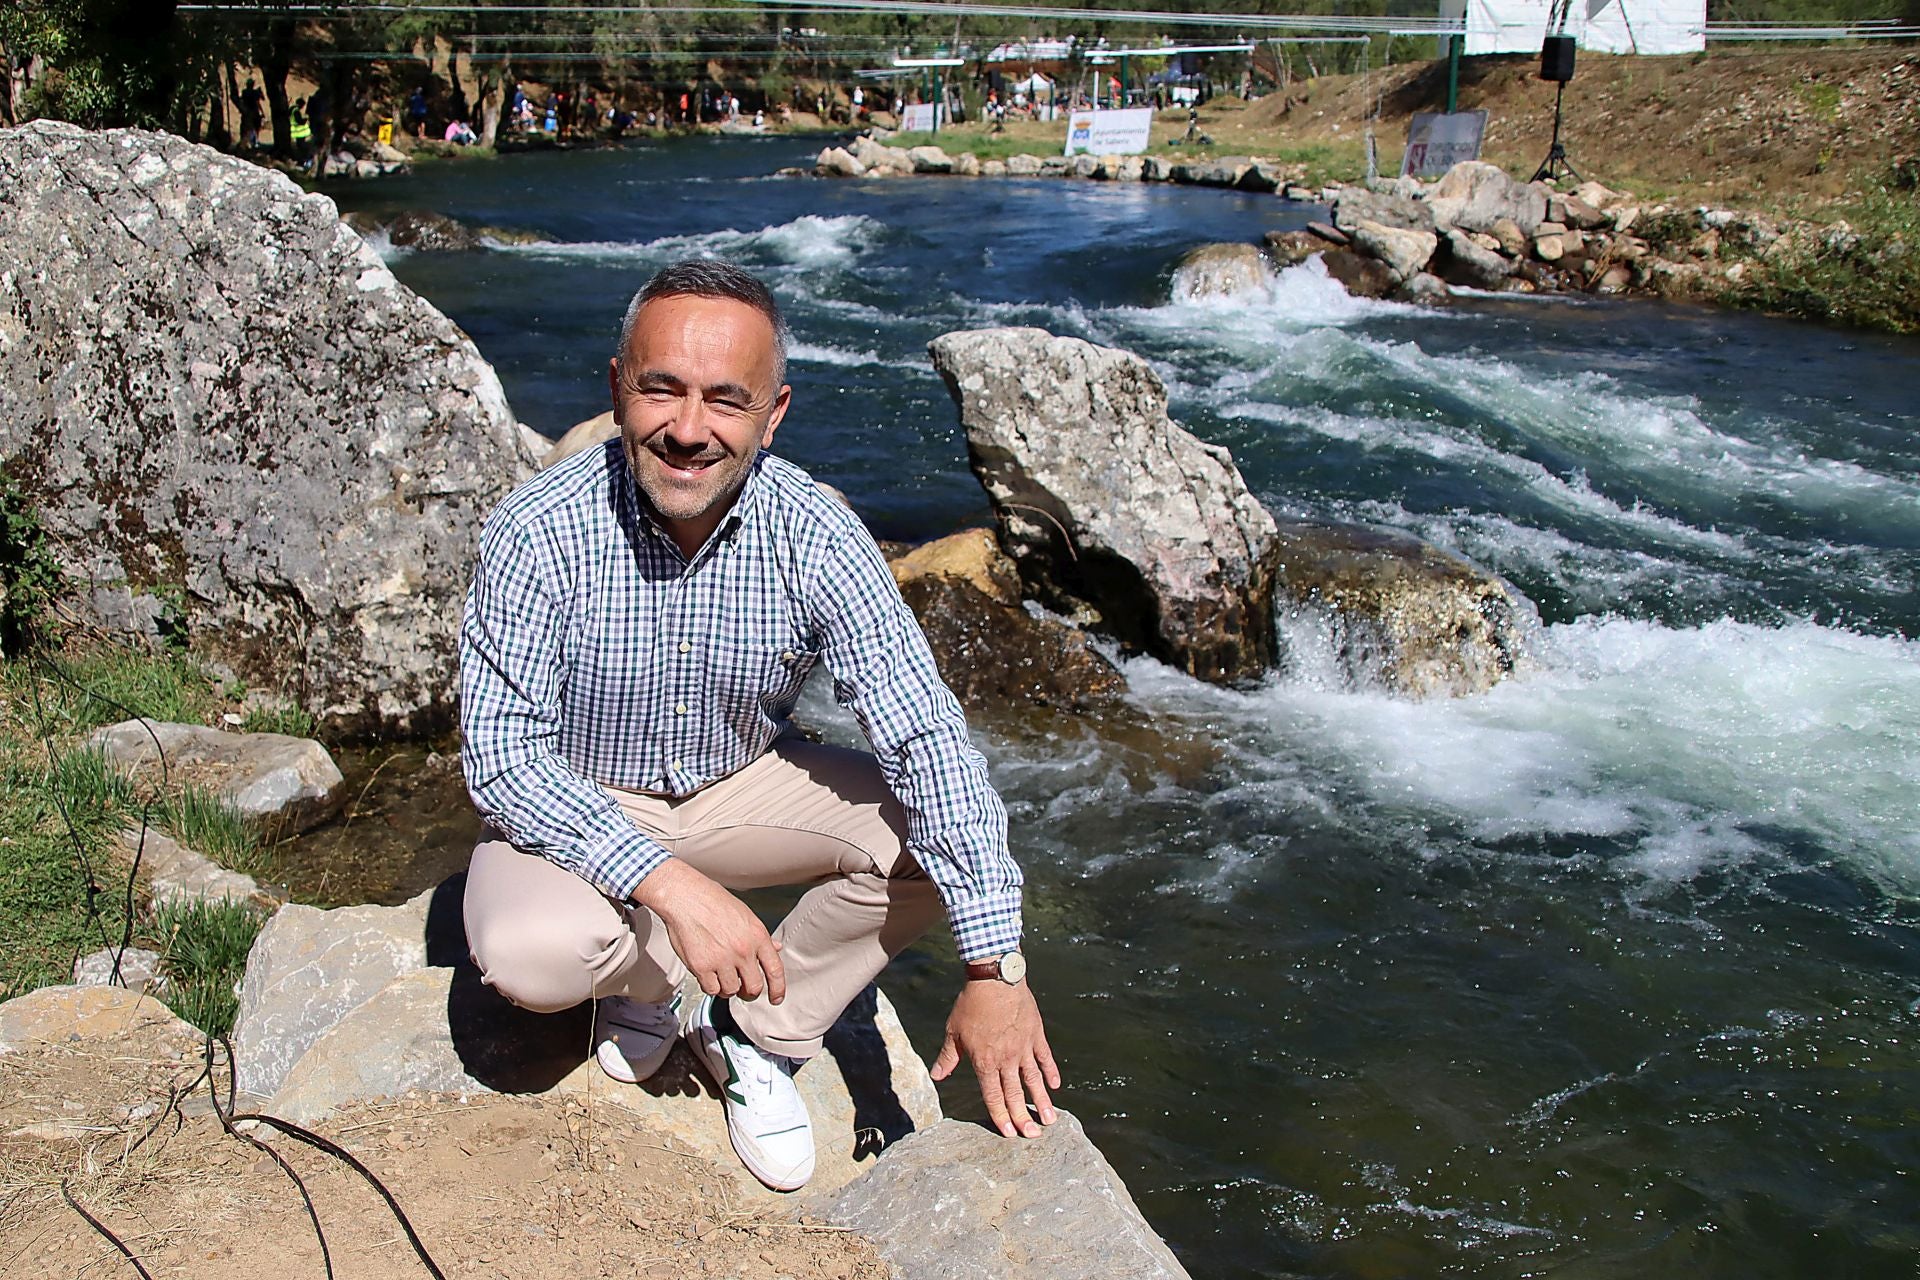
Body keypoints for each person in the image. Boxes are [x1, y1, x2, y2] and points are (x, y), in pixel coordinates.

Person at [459, 260, 1059, 1194]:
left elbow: (928, 736)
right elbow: (501, 759)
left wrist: (996, 970)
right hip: (581, 794)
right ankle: (650, 982)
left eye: (725, 401)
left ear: (773, 416)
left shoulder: (818, 533)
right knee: (531, 956)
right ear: (618, 387)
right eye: (661, 389)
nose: (688, 430)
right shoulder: (536, 529)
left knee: (944, 844)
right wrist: (674, 894)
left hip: (739, 784)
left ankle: (755, 1033)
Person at [238, 78, 265, 150]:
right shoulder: (254, 93)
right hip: (253, 112)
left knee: (245, 127)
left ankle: (245, 142)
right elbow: (258, 102)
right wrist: (262, 112)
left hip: (246, 112)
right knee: (255, 127)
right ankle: (252, 142)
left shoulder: (244, 92)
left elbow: (241, 101)